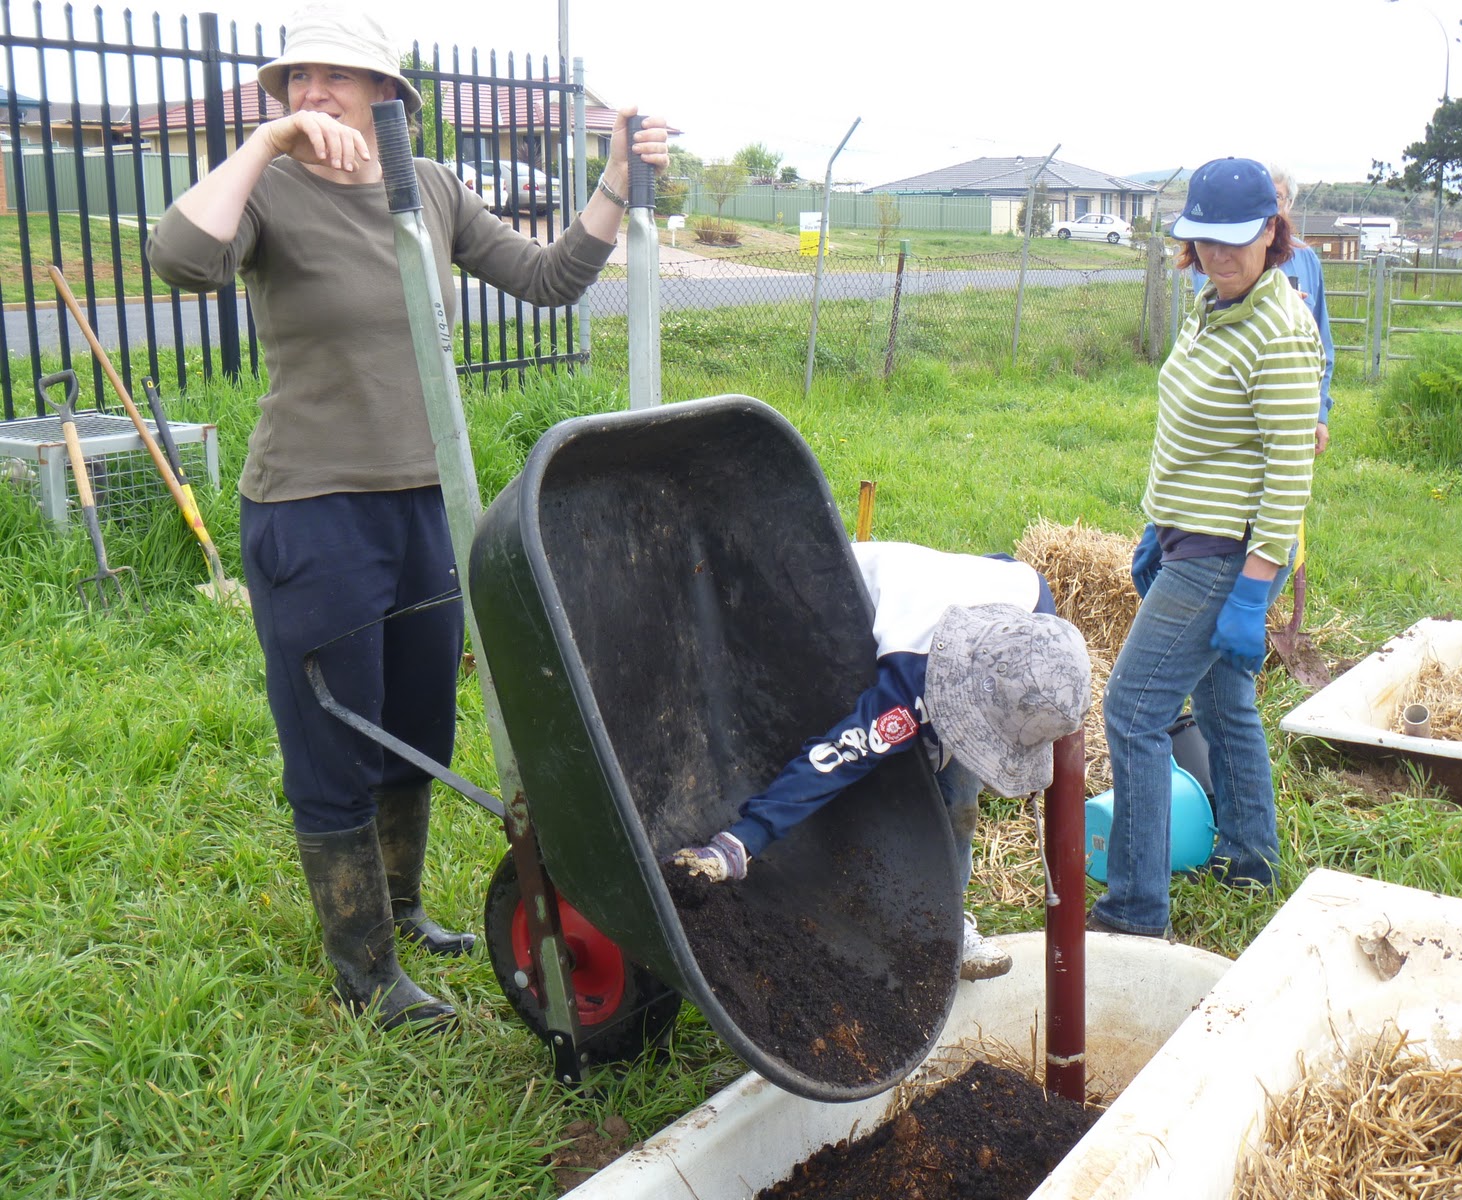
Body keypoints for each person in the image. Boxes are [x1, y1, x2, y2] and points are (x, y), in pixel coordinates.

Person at [146, 5, 669, 1031]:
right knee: (332, 737)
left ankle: (401, 909)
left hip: (428, 505)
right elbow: (178, 258)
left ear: (389, 94)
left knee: (415, 723)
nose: (311, 95)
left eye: (336, 78)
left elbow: (551, 280)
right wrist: (260, 146)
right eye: (295, 81)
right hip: (312, 509)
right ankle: (363, 969)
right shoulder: (272, 194)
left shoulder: (427, 189)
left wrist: (613, 175)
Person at [670, 541, 1092, 981]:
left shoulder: (1037, 609)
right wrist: (740, 844)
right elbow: (840, 755)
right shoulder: (910, 680)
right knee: (876, 772)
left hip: (954, 645)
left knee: (960, 800)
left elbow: (997, 568)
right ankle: (864, 907)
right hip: (832, 618)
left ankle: (948, 922)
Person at [1098, 158, 1322, 939]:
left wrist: (1255, 589)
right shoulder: (1215, 306)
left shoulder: (1279, 328)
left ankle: (1134, 909)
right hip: (1190, 537)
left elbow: (1290, 470)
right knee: (1224, 701)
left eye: (1236, 241)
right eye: (1204, 240)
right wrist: (1159, 527)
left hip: (1227, 554)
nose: (1220, 256)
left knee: (1132, 711)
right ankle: (1250, 854)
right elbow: (1201, 445)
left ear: (1271, 231)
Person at [1189, 162, 1335, 456]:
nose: (1219, 253)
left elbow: (1322, 337)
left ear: (1288, 205)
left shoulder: (1307, 260)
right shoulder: (1220, 262)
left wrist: (1320, 410)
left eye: (1277, 198)